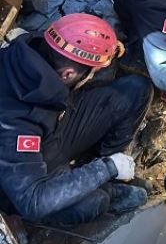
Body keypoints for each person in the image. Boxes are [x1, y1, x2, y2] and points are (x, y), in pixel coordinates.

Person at [0, 13, 153, 225]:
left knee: (136, 90)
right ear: (68, 74)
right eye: (90, 73)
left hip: (53, 127)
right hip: (20, 180)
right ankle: (104, 185)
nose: (91, 76)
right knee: (93, 203)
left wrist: (103, 48)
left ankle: (100, 175)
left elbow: (75, 48)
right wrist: (106, 168)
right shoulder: (15, 124)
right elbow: (33, 200)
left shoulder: (35, 48)